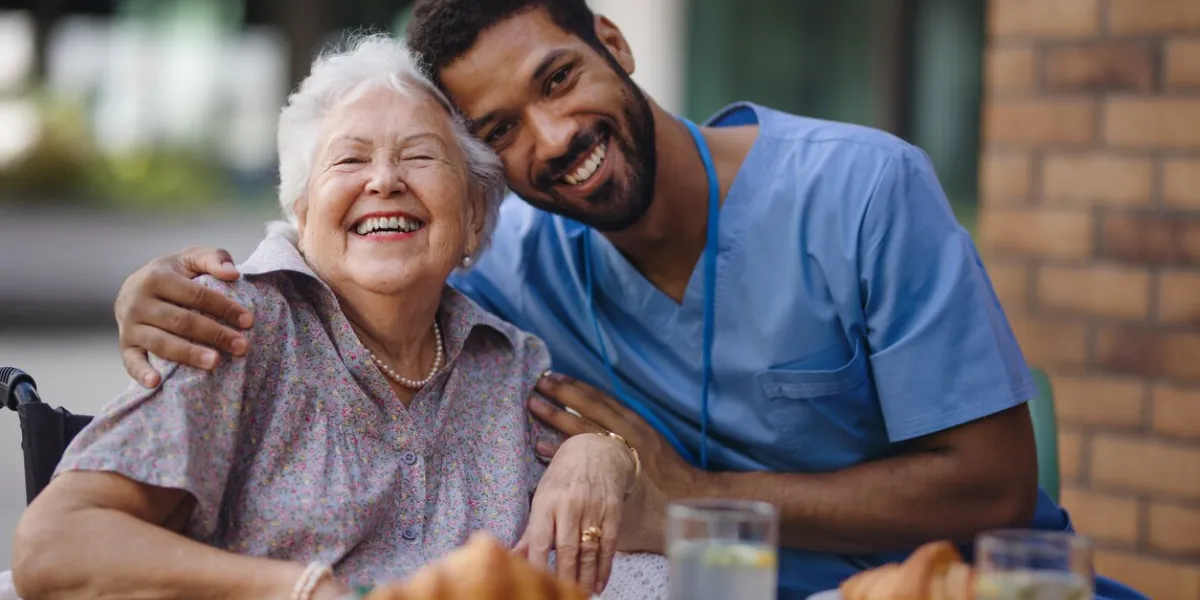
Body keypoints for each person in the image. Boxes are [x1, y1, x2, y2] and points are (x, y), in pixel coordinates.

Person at [109, 2, 1146, 599]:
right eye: (500, 130)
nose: (551, 138)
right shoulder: (509, 254)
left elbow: (996, 488)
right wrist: (163, 291)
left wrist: (689, 496)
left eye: (560, 79)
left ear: (615, 41)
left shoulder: (864, 189)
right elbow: (362, 234)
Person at [12, 35, 663, 600]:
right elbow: (53, 545)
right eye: (350, 159)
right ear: (301, 214)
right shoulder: (237, 330)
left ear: (472, 219)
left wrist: (604, 456)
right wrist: (302, 588)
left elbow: (632, 542)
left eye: (418, 156)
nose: (384, 180)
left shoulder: (512, 365)